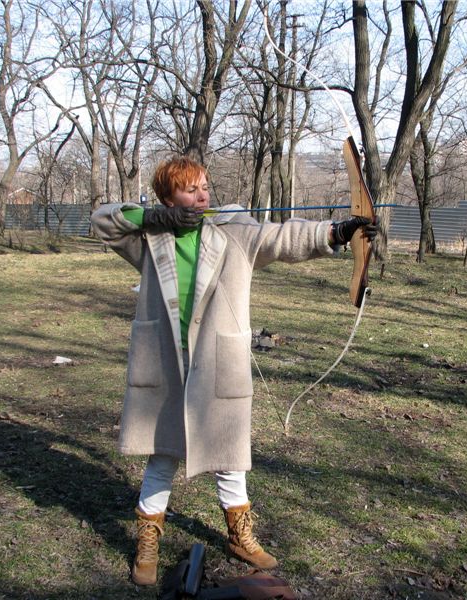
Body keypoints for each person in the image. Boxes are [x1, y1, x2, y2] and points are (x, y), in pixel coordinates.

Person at [91, 156, 376, 586]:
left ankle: (240, 536)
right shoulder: (149, 238)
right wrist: (152, 217)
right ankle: (147, 542)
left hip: (217, 363)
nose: (202, 196)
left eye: (205, 187)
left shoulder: (233, 229)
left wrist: (337, 231)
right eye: (190, 190)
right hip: (166, 363)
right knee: (162, 455)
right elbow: (102, 221)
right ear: (168, 198)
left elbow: (282, 237)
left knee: (229, 457)